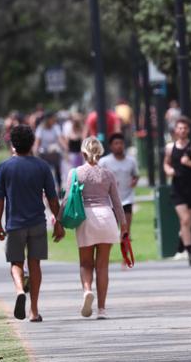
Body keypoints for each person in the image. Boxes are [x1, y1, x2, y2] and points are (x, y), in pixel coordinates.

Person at [0, 124, 63, 322]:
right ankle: (34, 311)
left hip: (15, 224)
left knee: (16, 263)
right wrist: (59, 222)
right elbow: (52, 198)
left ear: (12, 144)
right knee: (35, 265)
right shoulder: (42, 166)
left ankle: (19, 289)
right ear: (32, 143)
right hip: (37, 223)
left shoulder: (4, 167)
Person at [58, 137, 128, 319]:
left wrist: (59, 221)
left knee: (85, 263)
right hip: (107, 217)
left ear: (82, 153)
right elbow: (117, 202)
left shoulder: (75, 173)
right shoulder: (108, 174)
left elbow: (67, 200)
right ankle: (102, 309)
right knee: (102, 266)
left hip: (86, 218)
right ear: (101, 152)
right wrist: (124, 225)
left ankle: (87, 290)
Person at [163, 117, 191, 266]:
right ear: (175, 130)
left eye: (185, 128)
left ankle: (181, 242)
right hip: (177, 188)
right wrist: (169, 170)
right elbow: (166, 163)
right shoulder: (170, 148)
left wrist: (190, 163)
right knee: (185, 220)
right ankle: (190, 253)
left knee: (188, 221)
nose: (182, 131)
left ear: (188, 130)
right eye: (179, 128)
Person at [98, 133, 139, 267]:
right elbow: (98, 178)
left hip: (127, 199)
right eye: (116, 143)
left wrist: (134, 182)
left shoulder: (131, 161)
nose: (119, 146)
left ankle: (125, 259)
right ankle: (105, 259)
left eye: (120, 143)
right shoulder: (104, 161)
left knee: (125, 231)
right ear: (111, 146)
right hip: (110, 202)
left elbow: (135, 175)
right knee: (110, 232)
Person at [33, 112, 66, 193]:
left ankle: (59, 187)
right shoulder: (40, 129)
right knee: (43, 170)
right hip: (44, 152)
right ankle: (43, 188)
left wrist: (65, 147)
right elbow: (37, 142)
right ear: (48, 120)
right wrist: (35, 151)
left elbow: (60, 139)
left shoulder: (56, 127)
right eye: (52, 118)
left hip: (54, 152)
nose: (54, 120)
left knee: (57, 168)